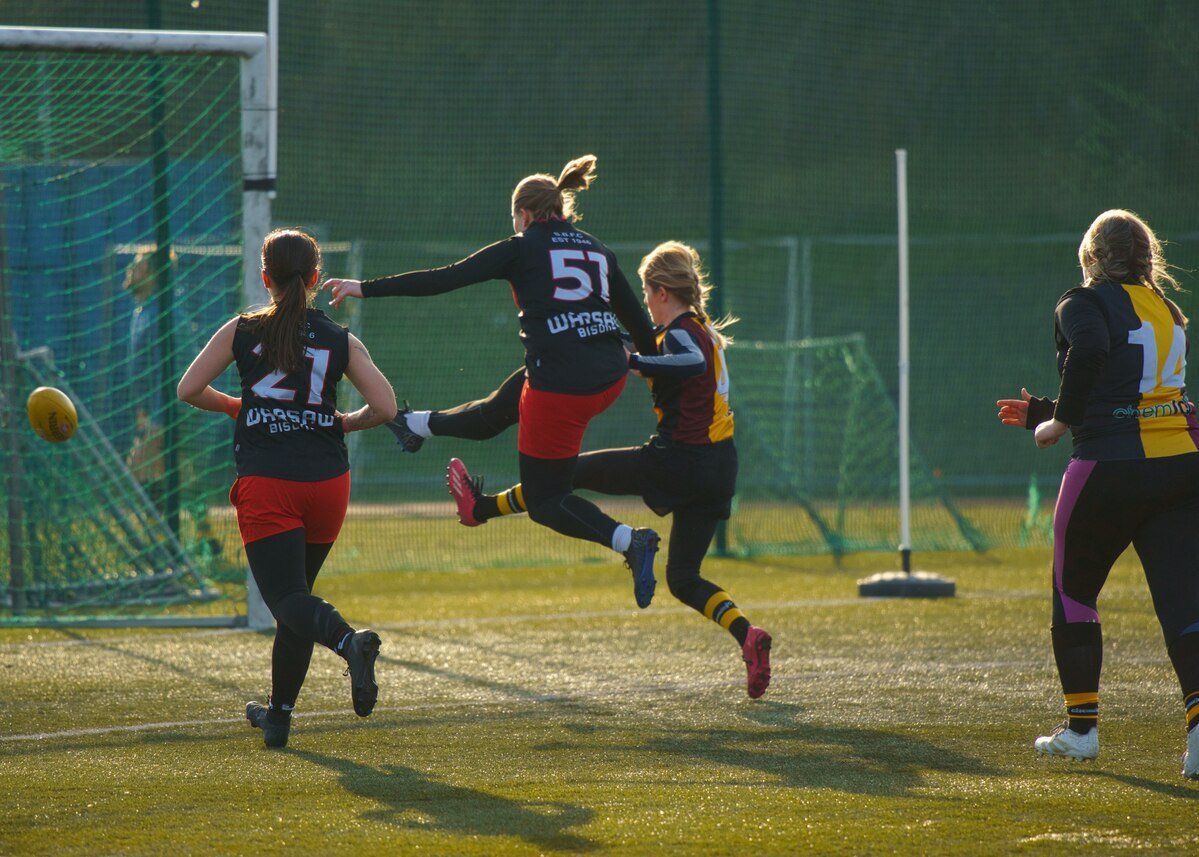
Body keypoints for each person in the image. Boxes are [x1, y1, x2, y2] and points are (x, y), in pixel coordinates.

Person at [326, 155, 664, 608]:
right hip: (606, 375)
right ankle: (413, 424)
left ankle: (628, 540)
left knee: (546, 501)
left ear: (523, 214)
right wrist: (647, 365)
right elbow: (639, 325)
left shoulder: (521, 247)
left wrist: (366, 287)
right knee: (497, 411)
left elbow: (444, 279)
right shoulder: (598, 250)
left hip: (562, 385)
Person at [445, 242, 772, 698]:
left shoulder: (682, 334)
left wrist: (632, 359)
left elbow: (686, 361)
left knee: (561, 475)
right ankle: (747, 634)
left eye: (645, 293)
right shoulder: (700, 330)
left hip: (679, 460)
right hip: (720, 467)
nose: (644, 303)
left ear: (661, 292)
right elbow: (645, 349)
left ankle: (480, 509)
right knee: (683, 578)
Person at [996, 209, 1199, 779]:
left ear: (1091, 256)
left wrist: (1058, 422)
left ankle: (1082, 730)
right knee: (1185, 603)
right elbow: (1134, 391)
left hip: (1109, 467)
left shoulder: (1081, 301)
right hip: (1181, 466)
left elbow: (1089, 355)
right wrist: (1049, 409)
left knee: (1074, 592)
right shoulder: (1166, 308)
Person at [178, 228, 397, 749]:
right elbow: (386, 408)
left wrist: (236, 406)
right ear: (316, 277)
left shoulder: (243, 328)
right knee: (296, 601)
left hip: (269, 480)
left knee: (287, 600)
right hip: (328, 483)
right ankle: (278, 717)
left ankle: (348, 640)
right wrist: (344, 422)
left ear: (265, 278)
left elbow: (189, 388)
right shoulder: (340, 338)